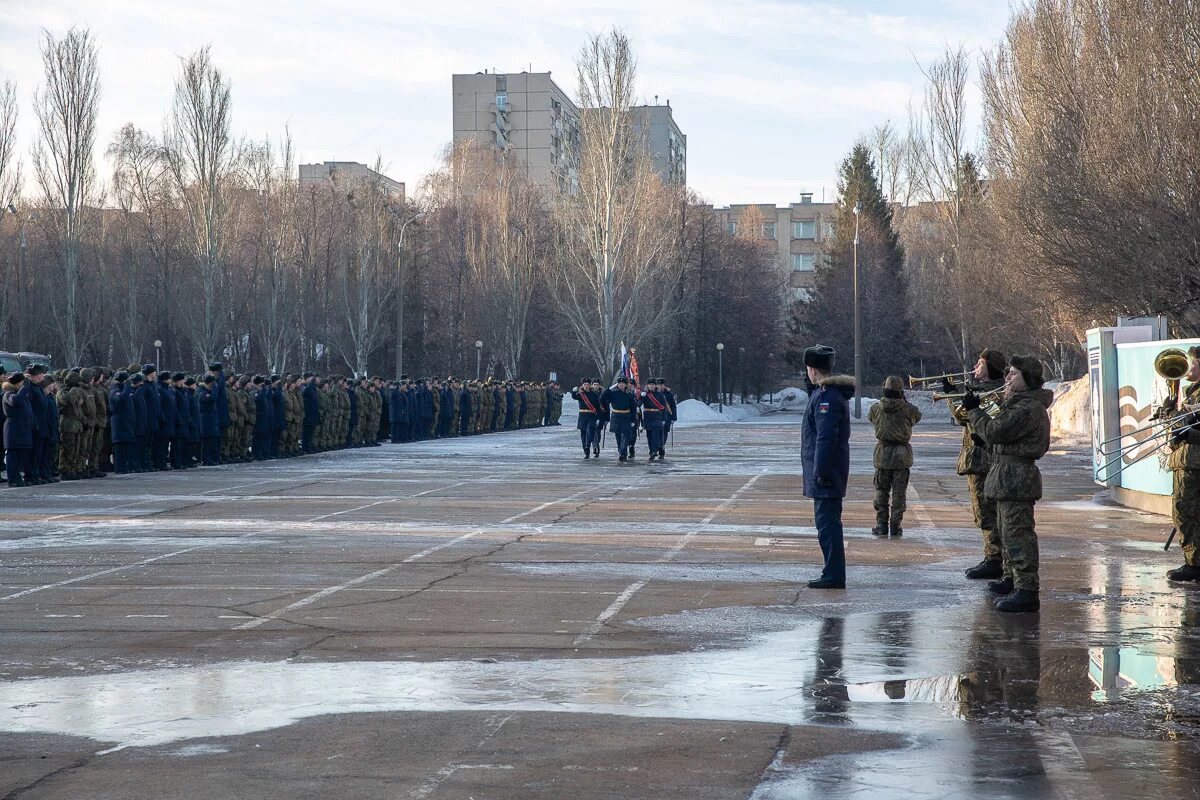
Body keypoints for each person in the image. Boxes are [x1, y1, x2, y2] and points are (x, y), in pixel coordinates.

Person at [963, 355, 1053, 613]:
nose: (1007, 378)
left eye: (1013, 373)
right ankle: (1013, 578)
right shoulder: (1017, 404)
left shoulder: (1027, 407)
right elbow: (997, 427)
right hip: (1006, 475)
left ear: (1027, 378)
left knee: (1017, 533)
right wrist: (982, 415)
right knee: (1006, 530)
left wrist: (974, 410)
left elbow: (995, 429)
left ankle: (1027, 589)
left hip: (1016, 477)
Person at [801, 345, 854, 589]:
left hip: (827, 473)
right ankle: (831, 571)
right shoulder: (827, 394)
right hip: (828, 471)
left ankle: (833, 574)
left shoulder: (828, 399)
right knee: (826, 523)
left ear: (812, 369)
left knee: (828, 525)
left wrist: (820, 471)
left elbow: (825, 437)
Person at [955, 350, 1007, 580]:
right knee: (984, 512)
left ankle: (994, 558)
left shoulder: (994, 393)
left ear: (991, 368)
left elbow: (972, 417)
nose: (975, 366)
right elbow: (960, 417)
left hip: (983, 459)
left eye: (981, 363)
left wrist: (969, 406)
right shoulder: (985, 391)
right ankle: (993, 556)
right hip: (977, 459)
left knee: (986, 512)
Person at [867, 376, 922, 537]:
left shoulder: (876, 408)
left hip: (882, 453)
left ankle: (881, 524)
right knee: (899, 493)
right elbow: (917, 416)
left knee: (881, 491)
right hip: (901, 455)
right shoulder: (908, 409)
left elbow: (871, 418)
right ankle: (896, 525)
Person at [1164, 346, 1200, 582]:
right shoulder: (1189, 393)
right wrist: (1169, 413)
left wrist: (1182, 427)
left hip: (1194, 462)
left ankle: (1194, 563)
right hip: (1185, 459)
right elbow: (1178, 427)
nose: (1187, 366)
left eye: (1192, 362)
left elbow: (1188, 428)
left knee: (1185, 512)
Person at [3, 372, 34, 487]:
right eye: (22, 383)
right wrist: (24, 388)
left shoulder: (21, 394)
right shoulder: (8, 394)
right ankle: (13, 479)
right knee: (13, 456)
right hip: (14, 429)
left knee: (21, 455)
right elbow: (15, 401)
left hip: (22, 429)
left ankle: (18, 477)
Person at [601, 376, 637, 462]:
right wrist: (610, 388)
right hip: (616, 416)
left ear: (625, 385)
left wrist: (633, 420)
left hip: (626, 416)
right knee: (618, 436)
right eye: (619, 383)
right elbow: (602, 397)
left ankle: (623, 452)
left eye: (623, 383)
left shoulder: (629, 395)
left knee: (625, 435)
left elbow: (633, 408)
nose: (621, 385)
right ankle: (621, 451)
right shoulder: (613, 393)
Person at [108, 371, 136, 474]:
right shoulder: (114, 390)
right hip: (119, 423)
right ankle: (119, 468)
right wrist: (127, 387)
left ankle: (124, 466)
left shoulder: (122, 390)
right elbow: (121, 399)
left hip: (125, 422)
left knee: (126, 445)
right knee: (120, 446)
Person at [571, 378, 603, 458]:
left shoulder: (593, 395)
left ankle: (587, 446)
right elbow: (574, 397)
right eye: (584, 384)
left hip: (591, 416)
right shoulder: (580, 394)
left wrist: (598, 418)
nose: (586, 386)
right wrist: (574, 391)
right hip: (582, 416)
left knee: (589, 433)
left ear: (590, 385)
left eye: (587, 384)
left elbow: (598, 408)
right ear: (582, 385)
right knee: (583, 434)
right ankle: (586, 450)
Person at [640, 378, 670, 461]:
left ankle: (654, 451)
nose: (651, 386)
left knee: (655, 435)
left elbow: (664, 407)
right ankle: (652, 450)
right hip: (647, 417)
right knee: (649, 435)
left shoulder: (659, 394)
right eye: (650, 384)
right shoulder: (645, 394)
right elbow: (638, 404)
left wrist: (664, 419)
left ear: (655, 385)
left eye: (653, 384)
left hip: (657, 416)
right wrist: (641, 397)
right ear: (647, 385)